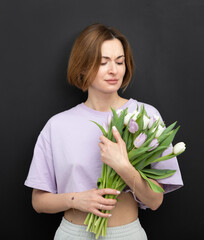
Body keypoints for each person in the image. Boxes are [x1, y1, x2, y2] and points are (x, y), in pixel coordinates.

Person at [24, 23, 183, 240]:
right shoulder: (58, 125)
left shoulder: (146, 116)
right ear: (82, 66)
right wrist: (76, 200)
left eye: (119, 61)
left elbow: (155, 201)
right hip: (73, 234)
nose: (114, 70)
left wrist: (124, 167)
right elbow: (38, 202)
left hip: (126, 234)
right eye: (103, 62)